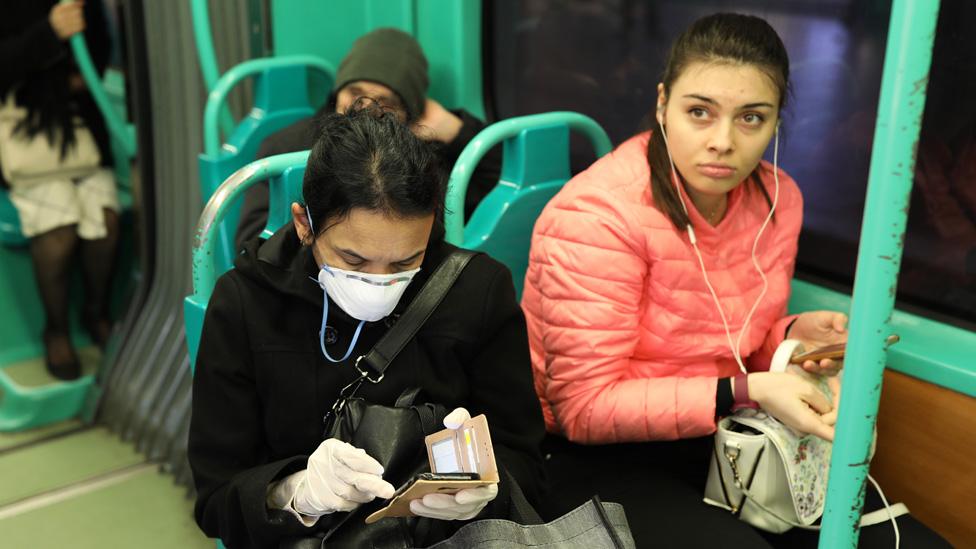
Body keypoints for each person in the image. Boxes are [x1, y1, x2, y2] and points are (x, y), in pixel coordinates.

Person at [521, 13, 949, 548]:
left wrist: (794, 337)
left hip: (724, 432)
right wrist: (748, 390)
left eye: (751, 118)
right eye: (700, 112)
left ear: (774, 123)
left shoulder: (776, 200)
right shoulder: (595, 216)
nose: (723, 141)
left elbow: (737, 333)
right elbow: (582, 409)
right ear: (661, 105)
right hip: (598, 456)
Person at [189, 107, 545, 548]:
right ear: (305, 225)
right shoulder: (246, 303)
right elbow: (215, 499)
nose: (377, 283)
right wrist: (293, 493)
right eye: (353, 260)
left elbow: (526, 458)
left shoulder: (475, 291)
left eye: (404, 262)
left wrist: (485, 492)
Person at [234, 27, 501, 251]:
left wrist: (457, 131)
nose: (364, 107)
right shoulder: (286, 150)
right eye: (354, 92)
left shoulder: (421, 162)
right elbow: (252, 243)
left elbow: (496, 186)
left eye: (384, 102)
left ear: (408, 115)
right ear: (337, 92)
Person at [0, 0, 119, 380]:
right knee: (58, 233)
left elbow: (96, 61)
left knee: (105, 223)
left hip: (79, 129)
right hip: (25, 133)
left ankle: (95, 311)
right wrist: (49, 33)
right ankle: (56, 329)